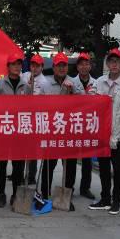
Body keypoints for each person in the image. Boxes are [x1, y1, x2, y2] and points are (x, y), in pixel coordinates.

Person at [89, 48, 120, 215]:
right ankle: (105, 199)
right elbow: (91, 100)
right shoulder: (99, 82)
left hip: (119, 136)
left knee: (118, 169)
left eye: (117, 62)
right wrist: (91, 95)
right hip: (102, 133)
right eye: (111, 61)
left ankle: (116, 201)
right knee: (104, 168)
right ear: (107, 64)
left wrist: (114, 136)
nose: (114, 64)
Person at [38, 52, 82, 210]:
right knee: (49, 164)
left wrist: (73, 91)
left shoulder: (74, 83)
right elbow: (39, 106)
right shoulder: (46, 85)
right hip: (52, 130)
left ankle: (67, 195)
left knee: (69, 165)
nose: (62, 68)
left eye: (64, 65)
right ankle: (44, 195)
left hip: (69, 131)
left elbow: (85, 103)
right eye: (59, 66)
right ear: (54, 67)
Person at [0, 50, 28, 207]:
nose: (16, 67)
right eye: (13, 64)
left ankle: (15, 194)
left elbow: (30, 108)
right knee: (2, 164)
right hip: (3, 130)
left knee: (18, 165)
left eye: (18, 64)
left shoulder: (26, 86)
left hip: (20, 131)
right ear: (8, 67)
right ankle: (2, 194)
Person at [16, 54, 50, 185]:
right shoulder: (24, 76)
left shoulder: (44, 82)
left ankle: (31, 176)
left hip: (35, 119)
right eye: (33, 65)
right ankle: (18, 174)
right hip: (22, 117)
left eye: (37, 66)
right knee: (20, 148)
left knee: (32, 150)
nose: (34, 68)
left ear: (42, 67)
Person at [72, 52, 96, 200]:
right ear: (77, 67)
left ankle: (85, 188)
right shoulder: (71, 82)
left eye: (86, 63)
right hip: (74, 125)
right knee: (72, 159)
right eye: (81, 64)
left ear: (90, 66)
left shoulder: (97, 83)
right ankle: (69, 187)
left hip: (89, 125)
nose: (84, 66)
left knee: (87, 160)